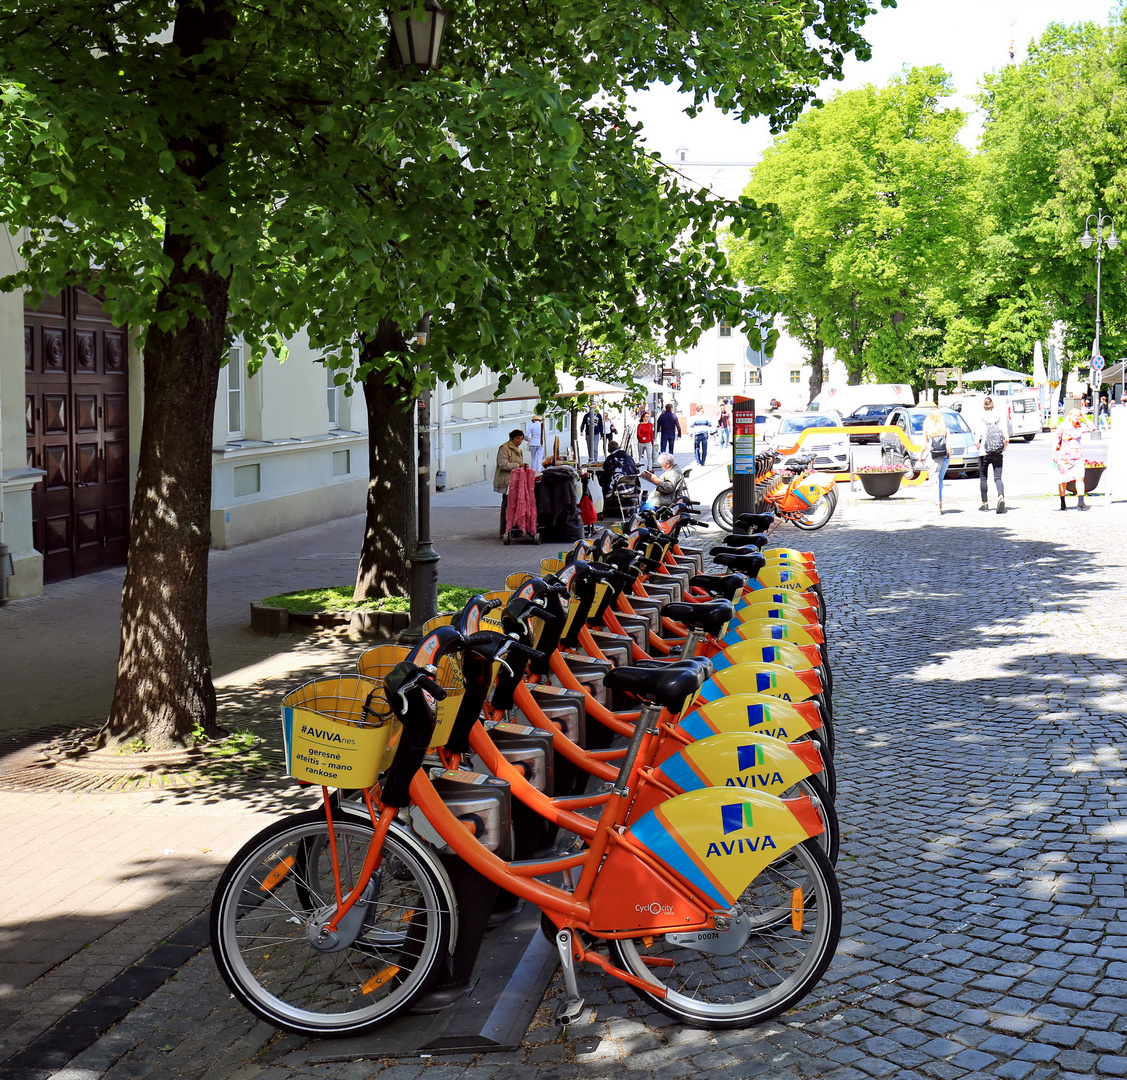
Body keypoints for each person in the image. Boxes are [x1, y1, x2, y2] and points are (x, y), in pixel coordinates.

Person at [970, 396, 1011, 514]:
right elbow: (1007, 438)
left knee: (983, 478)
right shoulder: (1000, 418)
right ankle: (1001, 496)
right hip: (997, 452)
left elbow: (976, 441)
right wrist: (1003, 448)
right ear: (993, 405)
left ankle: (985, 503)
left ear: (984, 406)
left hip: (984, 452)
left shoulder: (980, 418)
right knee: (998, 478)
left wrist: (979, 447)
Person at [1052, 408, 1092, 510]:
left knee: (1080, 478)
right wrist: (1053, 454)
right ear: (1070, 416)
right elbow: (1056, 439)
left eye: (1079, 415)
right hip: (1065, 457)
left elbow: (1093, 428)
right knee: (1063, 480)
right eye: (1075, 415)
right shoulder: (1064, 426)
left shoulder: (1081, 426)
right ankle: (1062, 502)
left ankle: (1081, 503)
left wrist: (1085, 416)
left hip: (1078, 456)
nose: (1077, 417)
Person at [493, 428, 527, 536]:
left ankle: (514, 528)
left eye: (521, 439)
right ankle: (504, 530)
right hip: (507, 481)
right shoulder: (504, 448)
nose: (520, 441)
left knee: (516, 506)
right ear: (512, 438)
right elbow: (502, 464)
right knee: (507, 506)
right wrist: (518, 466)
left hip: (516, 481)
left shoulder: (519, 450)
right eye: (517, 438)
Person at [921, 409, 950, 514]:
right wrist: (948, 458)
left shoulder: (928, 429)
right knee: (940, 480)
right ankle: (941, 504)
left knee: (934, 481)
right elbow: (950, 446)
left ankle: (937, 505)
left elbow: (924, 446)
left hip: (932, 457)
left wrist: (920, 457)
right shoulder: (945, 429)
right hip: (944, 457)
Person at [599, 441, 638, 518]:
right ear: (619, 447)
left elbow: (605, 477)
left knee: (603, 484)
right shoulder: (629, 458)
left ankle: (603, 510)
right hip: (632, 488)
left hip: (619, 489)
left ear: (609, 450)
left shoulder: (610, 460)